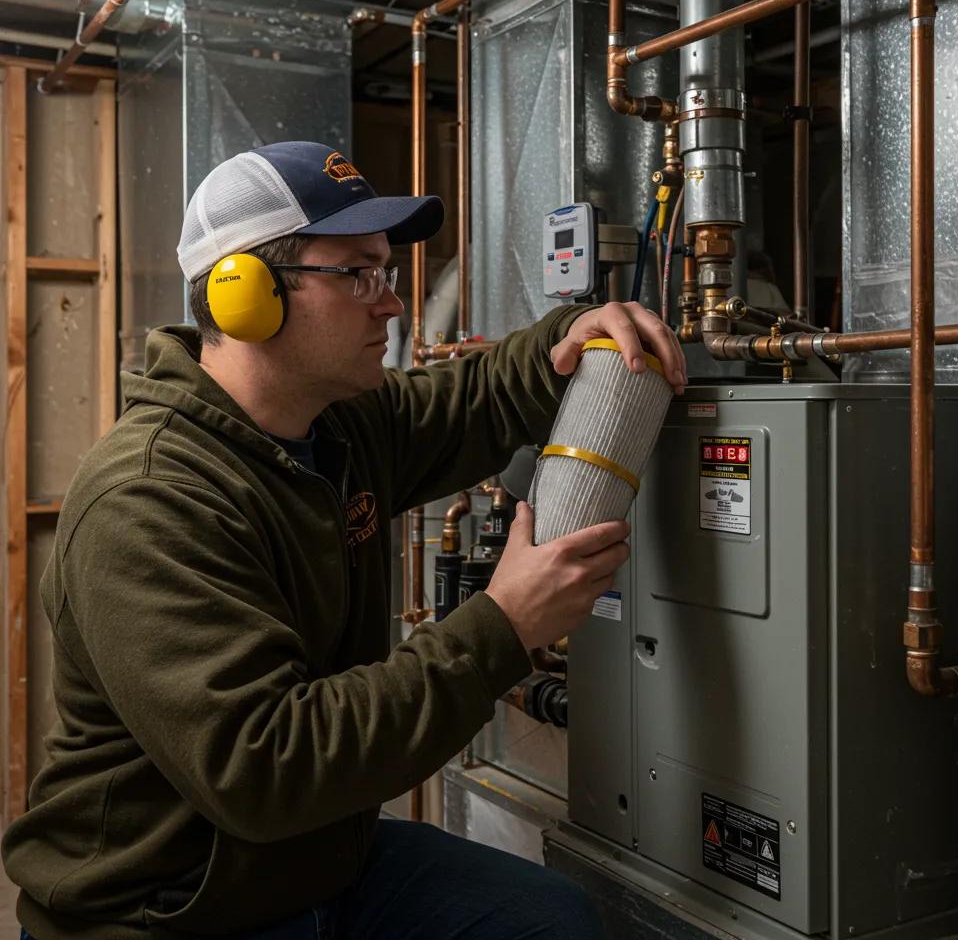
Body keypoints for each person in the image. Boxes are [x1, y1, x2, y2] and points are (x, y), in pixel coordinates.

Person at [2, 141, 687, 940]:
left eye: (387, 274)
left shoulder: (336, 424)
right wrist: (504, 624)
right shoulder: (149, 499)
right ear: (245, 298)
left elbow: (472, 401)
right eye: (359, 274)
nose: (390, 304)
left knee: (553, 921)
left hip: (316, 861)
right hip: (171, 906)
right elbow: (265, 766)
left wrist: (574, 332)